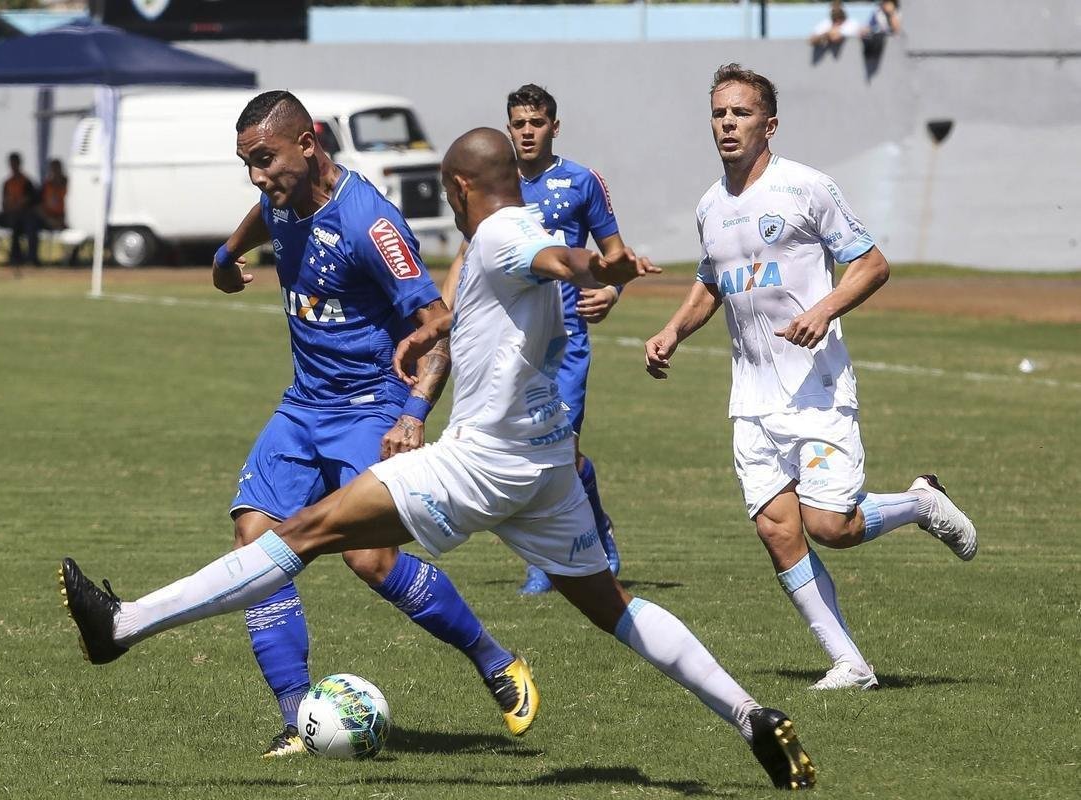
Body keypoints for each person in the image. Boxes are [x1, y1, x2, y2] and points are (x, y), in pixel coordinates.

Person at [60, 126, 817, 790]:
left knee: (300, 534)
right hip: (547, 469)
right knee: (612, 608)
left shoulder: (495, 235)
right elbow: (513, 283)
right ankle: (749, 714)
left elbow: (544, 260)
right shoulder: (514, 226)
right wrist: (441, 327)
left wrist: (590, 267)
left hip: (480, 464)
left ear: (459, 189)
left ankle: (124, 626)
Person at [168, 91, 538, 758]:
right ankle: (295, 722)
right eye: (246, 163)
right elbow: (265, 214)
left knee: (371, 559)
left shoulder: (372, 224)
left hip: (368, 408)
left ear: (307, 143)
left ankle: (494, 660)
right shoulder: (283, 198)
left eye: (265, 159)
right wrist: (226, 256)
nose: (257, 175)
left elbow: (434, 332)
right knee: (253, 541)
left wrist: (413, 416)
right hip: (302, 406)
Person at [644, 64, 977, 691]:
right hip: (750, 401)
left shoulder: (807, 188)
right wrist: (672, 332)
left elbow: (872, 264)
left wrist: (823, 310)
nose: (727, 124)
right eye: (718, 113)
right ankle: (850, 663)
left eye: (740, 113)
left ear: (769, 124)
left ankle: (920, 503)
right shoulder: (710, 206)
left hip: (816, 390)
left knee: (833, 526)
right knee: (777, 529)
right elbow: (713, 281)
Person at [500, 83, 629, 595]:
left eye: (536, 123)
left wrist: (612, 292)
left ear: (554, 126)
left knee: (556, 449)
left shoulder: (581, 181)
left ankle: (547, 561)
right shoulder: (498, 184)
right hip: (513, 338)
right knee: (541, 452)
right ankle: (597, 531)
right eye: (518, 123)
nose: (526, 132)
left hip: (567, 338)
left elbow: (616, 255)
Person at [0, 151, 39, 266]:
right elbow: (3, 204)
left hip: (22, 219)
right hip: (7, 215)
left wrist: (18, 206)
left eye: (15, 163)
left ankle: (17, 257)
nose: (13, 166)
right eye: (11, 163)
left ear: (20, 163)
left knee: (18, 220)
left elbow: (30, 202)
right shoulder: (7, 183)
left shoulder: (27, 182)